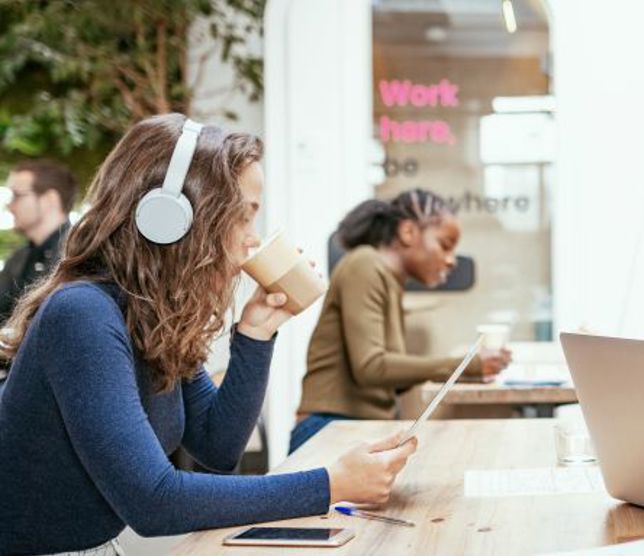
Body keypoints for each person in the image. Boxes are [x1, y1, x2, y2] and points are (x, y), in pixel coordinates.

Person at [0, 114, 417, 555]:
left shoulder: (148, 316)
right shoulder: (83, 314)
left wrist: (256, 333)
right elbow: (153, 502)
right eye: (244, 216)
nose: (252, 241)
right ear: (170, 217)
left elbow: (218, 448)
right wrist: (330, 484)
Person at [292, 189, 511, 453]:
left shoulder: (388, 279)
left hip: (352, 430)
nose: (452, 260)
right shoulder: (365, 264)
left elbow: (388, 374)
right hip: (328, 431)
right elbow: (371, 367)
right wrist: (465, 366)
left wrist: (464, 369)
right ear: (408, 232)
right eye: (444, 245)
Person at [0, 160, 77, 331]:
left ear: (50, 200)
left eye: (16, 195)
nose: (9, 205)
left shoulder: (78, 255)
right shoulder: (19, 256)